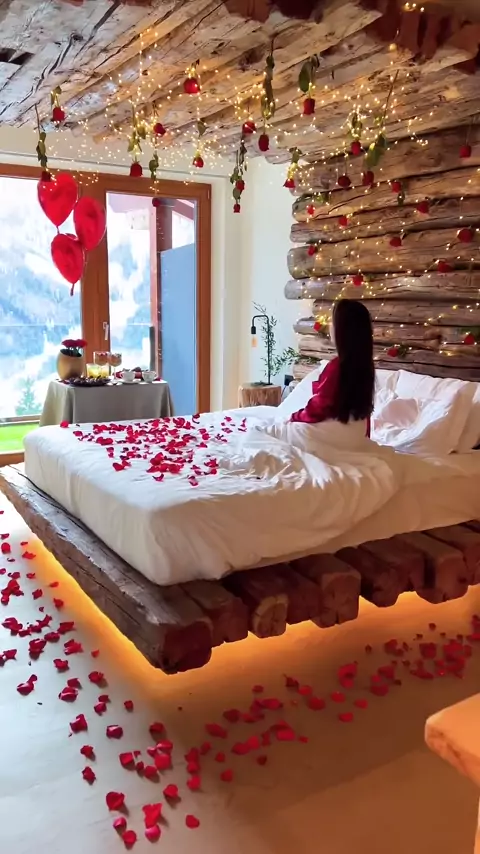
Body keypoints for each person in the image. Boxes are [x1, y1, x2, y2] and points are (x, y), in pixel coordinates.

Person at [290, 298, 375, 437]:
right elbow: (365, 413)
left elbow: (319, 407)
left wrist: (295, 416)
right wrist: (364, 438)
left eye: (332, 322)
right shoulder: (365, 366)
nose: (330, 326)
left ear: (342, 330)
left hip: (334, 432)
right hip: (355, 432)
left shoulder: (337, 366)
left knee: (272, 431)